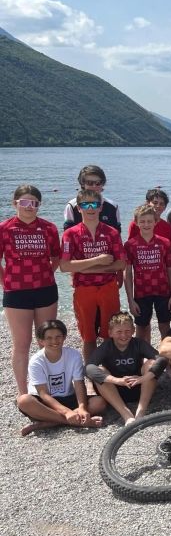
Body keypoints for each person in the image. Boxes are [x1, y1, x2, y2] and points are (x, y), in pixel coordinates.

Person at [1, 184, 60, 395]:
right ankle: (23, 392)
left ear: (39, 205)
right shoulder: (5, 228)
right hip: (16, 293)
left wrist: (45, 274)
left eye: (34, 203)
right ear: (15, 203)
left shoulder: (49, 228)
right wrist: (6, 282)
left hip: (45, 290)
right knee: (21, 344)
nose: (29, 206)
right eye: (25, 202)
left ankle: (45, 389)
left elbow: (56, 258)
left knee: (47, 341)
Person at [60, 189, 125, 362]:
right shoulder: (70, 234)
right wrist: (99, 260)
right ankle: (91, 372)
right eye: (85, 204)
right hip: (84, 290)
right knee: (88, 335)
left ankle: (110, 368)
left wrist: (82, 268)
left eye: (94, 204)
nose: (90, 208)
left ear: (101, 207)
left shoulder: (112, 232)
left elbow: (121, 263)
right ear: (79, 208)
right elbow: (65, 266)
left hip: (108, 288)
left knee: (110, 332)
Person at [16, 320, 105, 436]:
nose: (54, 341)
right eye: (49, 338)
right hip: (45, 401)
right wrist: (67, 412)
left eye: (58, 337)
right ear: (41, 341)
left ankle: (45, 423)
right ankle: (77, 421)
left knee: (99, 403)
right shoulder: (36, 361)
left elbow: (79, 383)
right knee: (23, 401)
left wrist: (82, 407)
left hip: (67, 397)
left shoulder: (73, 355)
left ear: (64, 337)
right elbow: (43, 394)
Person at [85, 312, 168, 424]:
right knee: (99, 370)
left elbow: (161, 360)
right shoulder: (106, 347)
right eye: (119, 332)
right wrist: (117, 380)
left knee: (151, 363)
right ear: (110, 333)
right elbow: (89, 368)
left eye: (127, 331)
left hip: (137, 387)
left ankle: (140, 412)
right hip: (114, 391)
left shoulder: (138, 343)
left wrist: (142, 379)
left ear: (133, 331)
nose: (123, 336)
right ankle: (126, 415)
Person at [124, 204, 171, 343]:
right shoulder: (130, 245)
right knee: (141, 328)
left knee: (165, 327)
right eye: (142, 221)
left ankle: (168, 360)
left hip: (163, 292)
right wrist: (130, 300)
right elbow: (128, 274)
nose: (146, 224)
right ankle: (141, 361)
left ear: (155, 222)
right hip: (141, 293)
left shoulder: (164, 243)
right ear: (136, 222)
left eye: (149, 221)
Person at [63, 165, 121, 232]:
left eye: (98, 183)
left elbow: (117, 233)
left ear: (103, 184)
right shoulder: (72, 206)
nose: (94, 186)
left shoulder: (113, 206)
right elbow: (68, 233)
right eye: (90, 183)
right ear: (82, 184)